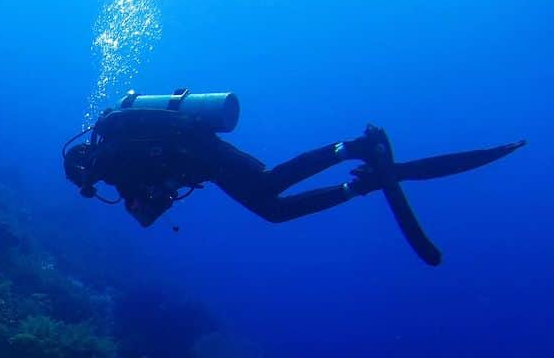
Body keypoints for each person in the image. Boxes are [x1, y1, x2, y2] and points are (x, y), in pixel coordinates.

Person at [64, 92, 526, 232]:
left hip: (202, 155)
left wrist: (139, 203)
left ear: (84, 167)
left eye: (83, 180)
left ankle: (354, 157)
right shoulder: (117, 146)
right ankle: (353, 167)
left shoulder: (112, 161)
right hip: (205, 151)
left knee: (272, 199)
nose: (88, 185)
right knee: (271, 199)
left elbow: (150, 212)